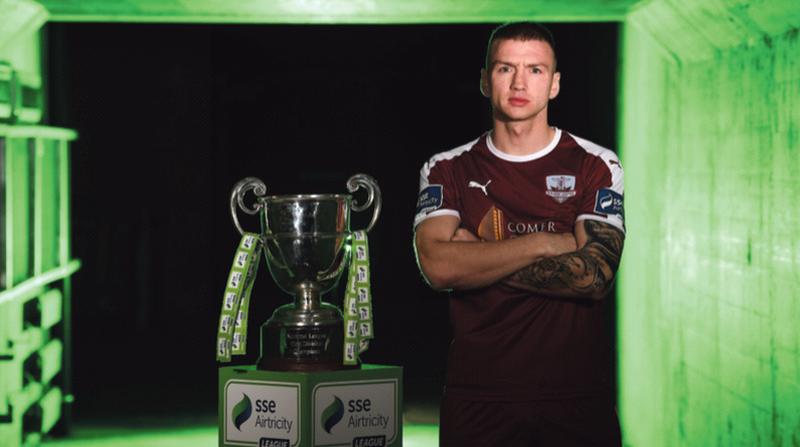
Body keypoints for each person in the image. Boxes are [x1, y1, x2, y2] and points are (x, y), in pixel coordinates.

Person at [413, 22, 625, 446]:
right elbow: (437, 266)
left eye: (535, 70)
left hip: (576, 397)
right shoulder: (447, 168)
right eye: (505, 69)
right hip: (479, 399)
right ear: (484, 79)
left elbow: (594, 275)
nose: (519, 83)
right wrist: (545, 243)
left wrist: (475, 256)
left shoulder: (595, 164)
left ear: (555, 84)